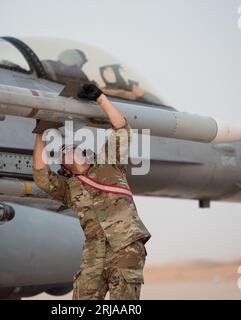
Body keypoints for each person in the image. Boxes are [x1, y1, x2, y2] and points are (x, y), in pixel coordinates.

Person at [32, 84, 151, 300]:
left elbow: (122, 129)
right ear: (64, 166)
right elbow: (41, 175)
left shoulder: (109, 165)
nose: (70, 149)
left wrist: (100, 98)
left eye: (74, 147)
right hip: (94, 256)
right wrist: (40, 133)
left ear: (87, 154)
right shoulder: (69, 188)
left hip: (125, 248)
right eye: (64, 151)